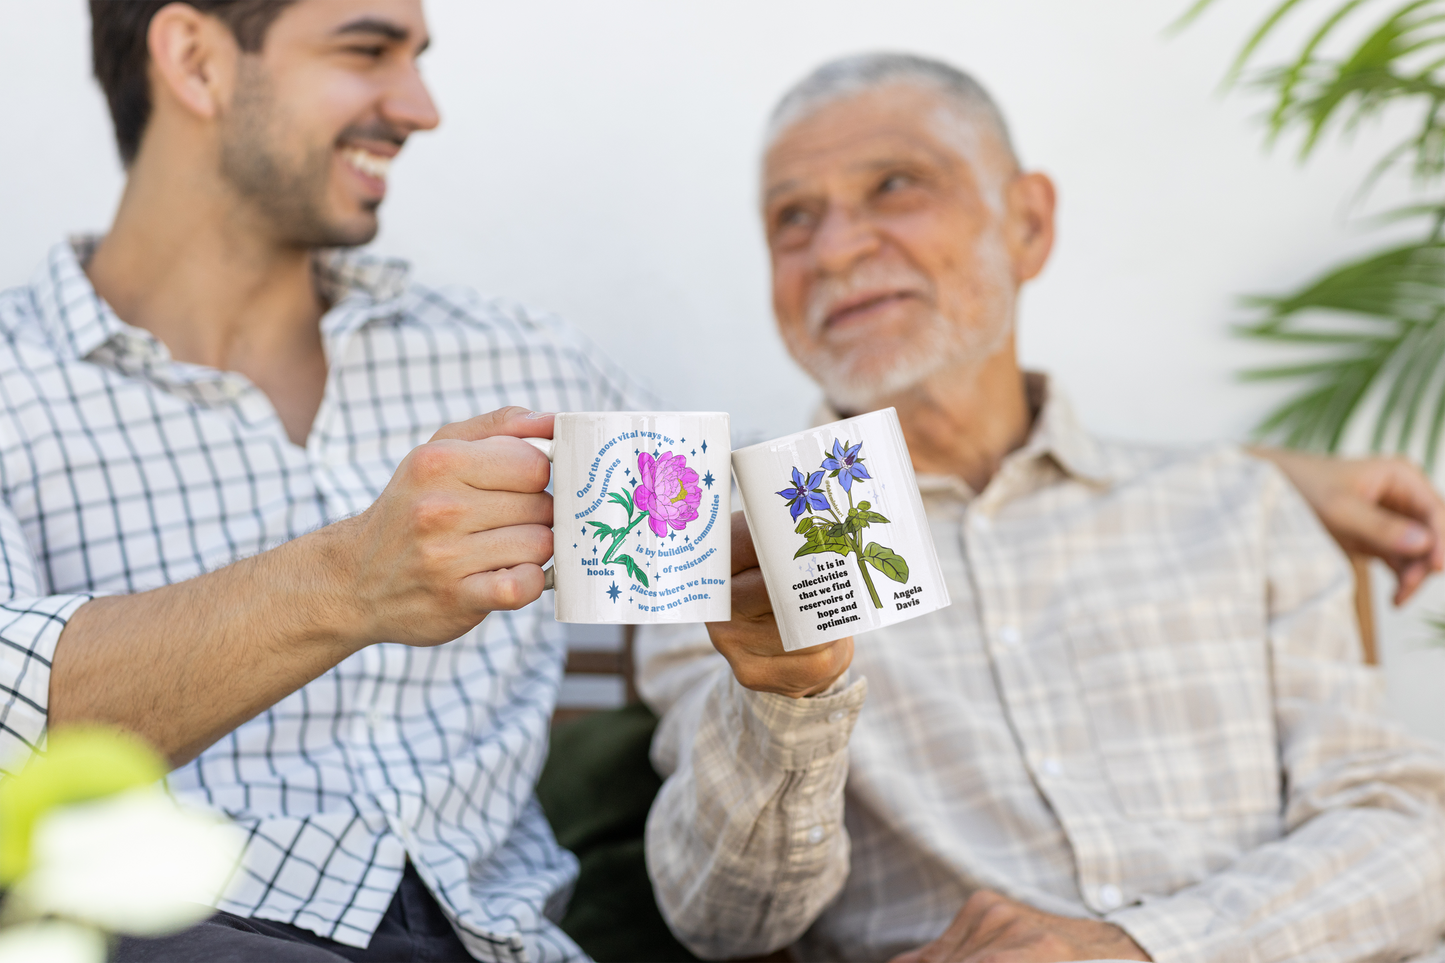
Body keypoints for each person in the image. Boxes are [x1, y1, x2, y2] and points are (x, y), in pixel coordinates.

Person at [639, 53, 1445, 963]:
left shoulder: (1235, 503)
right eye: (793, 219)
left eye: (894, 185)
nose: (834, 250)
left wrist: (1136, 947)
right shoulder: (725, 552)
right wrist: (786, 698)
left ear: (1027, 223)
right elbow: (723, 922)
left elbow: (1410, 834)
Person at [0, 1, 654, 961]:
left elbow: (720, 621)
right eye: (367, 50)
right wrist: (349, 579)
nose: (421, 106)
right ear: (195, 59)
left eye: (418, 57)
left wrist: (785, 686)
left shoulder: (526, 360)